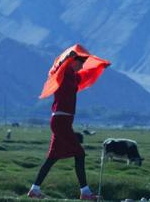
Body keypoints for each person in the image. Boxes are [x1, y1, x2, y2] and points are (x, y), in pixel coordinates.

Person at [28, 44, 110, 200]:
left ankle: (34, 190)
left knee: (52, 158)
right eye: (79, 63)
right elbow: (62, 63)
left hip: (63, 121)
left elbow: (87, 75)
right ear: (72, 61)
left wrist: (101, 66)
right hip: (61, 121)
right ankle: (85, 192)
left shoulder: (74, 76)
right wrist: (70, 55)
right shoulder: (63, 73)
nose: (81, 67)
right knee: (80, 154)